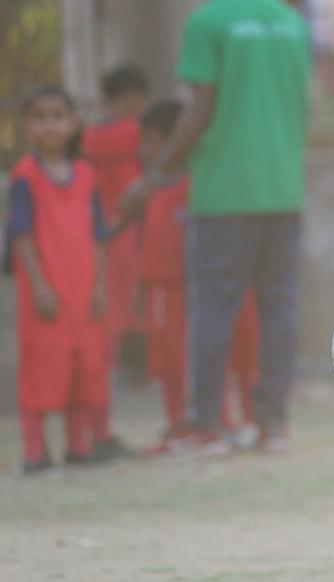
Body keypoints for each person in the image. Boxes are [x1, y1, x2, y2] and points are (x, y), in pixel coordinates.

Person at [119, 0, 310, 455]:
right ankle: (272, 425)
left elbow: (200, 108)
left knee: (213, 312)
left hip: (225, 196)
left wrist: (154, 177)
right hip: (283, 191)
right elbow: (300, 104)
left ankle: (206, 426)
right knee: (278, 310)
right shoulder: (293, 25)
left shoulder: (207, 21)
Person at [3, 86, 108, 473]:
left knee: (84, 364)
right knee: (42, 365)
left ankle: (78, 444)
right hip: (47, 295)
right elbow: (21, 236)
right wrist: (39, 287)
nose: (49, 126)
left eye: (57, 116)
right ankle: (35, 448)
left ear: (73, 123)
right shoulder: (25, 177)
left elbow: (98, 235)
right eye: (40, 118)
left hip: (83, 291)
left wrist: (100, 287)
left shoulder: (87, 175)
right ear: (26, 126)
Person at [80, 65, 150, 459]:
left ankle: (97, 423)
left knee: (103, 331)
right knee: (123, 323)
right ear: (129, 97)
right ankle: (100, 425)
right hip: (129, 237)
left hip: (98, 237)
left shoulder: (90, 136)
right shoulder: (133, 133)